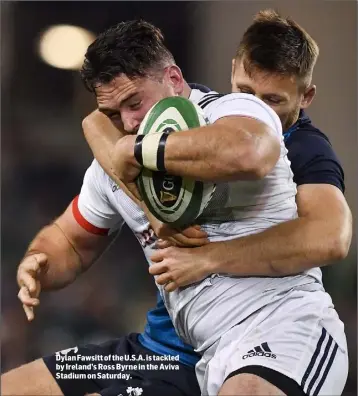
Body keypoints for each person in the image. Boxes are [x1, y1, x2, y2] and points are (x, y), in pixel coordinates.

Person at [2, 12, 351, 396]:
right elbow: (70, 241)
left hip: (279, 326)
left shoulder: (232, 113)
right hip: (176, 352)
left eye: (135, 103)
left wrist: (130, 149)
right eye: (112, 114)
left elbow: (250, 153)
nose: (129, 121)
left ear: (173, 79)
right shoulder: (111, 161)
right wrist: (39, 261)